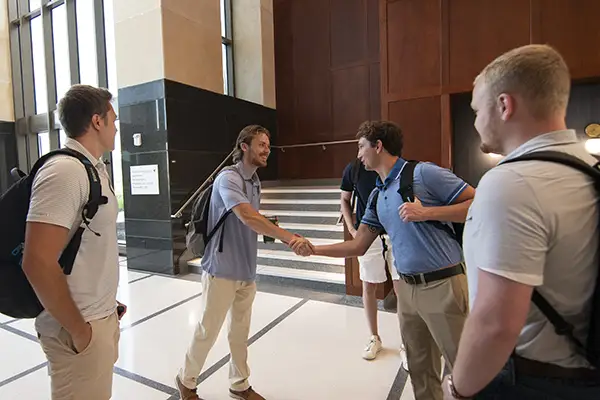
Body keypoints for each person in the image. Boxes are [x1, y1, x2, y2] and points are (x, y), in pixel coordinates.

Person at [443, 45, 600, 399]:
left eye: (476, 109)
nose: (476, 121)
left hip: (532, 381)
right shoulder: (589, 169)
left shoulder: (510, 183)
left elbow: (496, 324)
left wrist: (459, 388)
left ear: (503, 105)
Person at [292, 120, 475, 400]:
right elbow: (358, 245)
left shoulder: (422, 173)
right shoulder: (378, 194)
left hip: (443, 284)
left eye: (361, 146)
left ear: (378, 146)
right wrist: (314, 249)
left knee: (461, 370)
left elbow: (477, 203)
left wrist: (426, 213)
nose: (358, 154)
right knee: (419, 368)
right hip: (408, 292)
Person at [175, 125, 313, 400]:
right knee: (207, 330)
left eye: (268, 145)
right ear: (244, 147)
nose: (266, 150)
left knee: (239, 333)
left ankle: (239, 384)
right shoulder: (228, 178)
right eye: (261, 144)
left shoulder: (255, 182)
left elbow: (252, 220)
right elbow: (246, 216)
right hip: (222, 269)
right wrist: (288, 238)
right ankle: (186, 381)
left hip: (246, 270)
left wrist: (269, 227)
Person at [22, 84, 125, 400]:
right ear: (97, 121)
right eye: (113, 119)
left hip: (97, 317)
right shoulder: (66, 171)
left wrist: (106, 303)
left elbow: (86, 245)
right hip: (77, 331)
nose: (117, 128)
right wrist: (81, 331)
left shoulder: (93, 169)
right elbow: (37, 261)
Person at [340, 159, 405, 363]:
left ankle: (406, 342)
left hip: (396, 231)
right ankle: (374, 337)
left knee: (401, 288)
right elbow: (345, 199)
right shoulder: (354, 169)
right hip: (367, 232)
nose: (359, 152)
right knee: (368, 285)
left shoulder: (397, 167)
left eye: (362, 146)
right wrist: (352, 229)